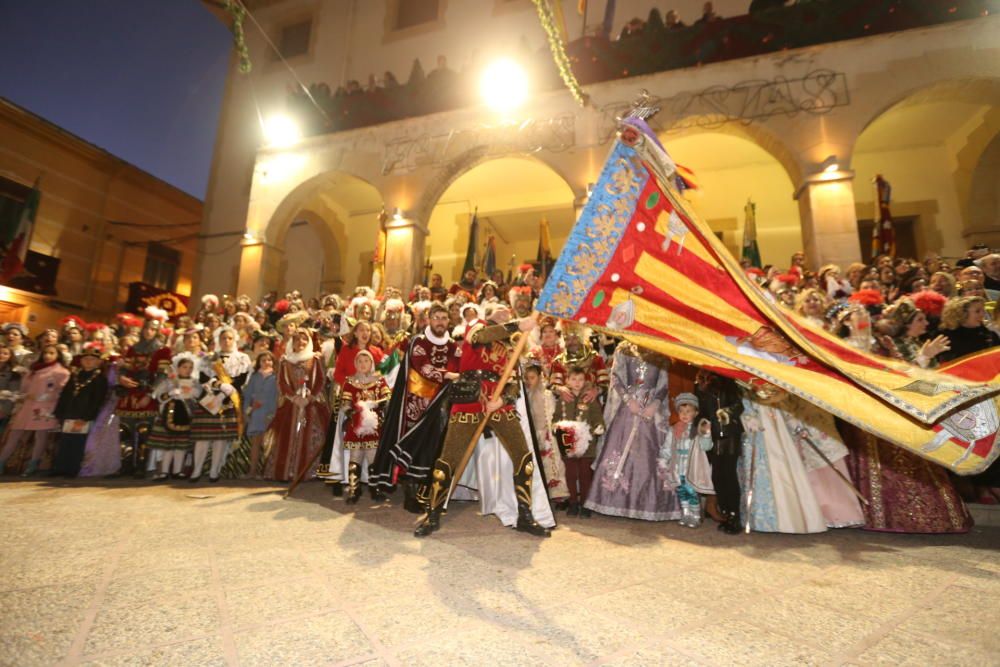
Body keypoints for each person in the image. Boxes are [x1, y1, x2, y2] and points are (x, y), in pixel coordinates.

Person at [413, 305, 550, 537]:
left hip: (498, 402)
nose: (505, 312)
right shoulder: (477, 326)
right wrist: (517, 324)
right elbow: (481, 336)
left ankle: (525, 515)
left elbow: (514, 382)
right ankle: (432, 514)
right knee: (448, 460)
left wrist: (504, 398)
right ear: (490, 314)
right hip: (470, 397)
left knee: (524, 458)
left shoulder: (511, 348)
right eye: (500, 310)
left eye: (507, 311)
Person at [371, 303, 459, 511]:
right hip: (414, 405)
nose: (440, 322)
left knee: (433, 448)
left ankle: (426, 491)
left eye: (443, 318)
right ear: (429, 320)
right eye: (436, 317)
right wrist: (447, 375)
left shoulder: (454, 346)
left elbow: (461, 365)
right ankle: (409, 494)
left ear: (449, 321)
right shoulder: (418, 342)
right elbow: (422, 366)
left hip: (440, 405)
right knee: (413, 446)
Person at [585, 341, 679, 521]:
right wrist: (629, 400)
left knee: (649, 454)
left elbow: (664, 384)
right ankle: (614, 502)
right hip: (628, 407)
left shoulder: (662, 351)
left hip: (651, 409)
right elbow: (616, 378)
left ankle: (649, 504)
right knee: (618, 449)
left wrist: (655, 404)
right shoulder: (624, 349)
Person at [265, 330, 329, 483]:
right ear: (291, 342)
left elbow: (320, 381)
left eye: (304, 339)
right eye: (297, 340)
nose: (300, 342)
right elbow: (281, 382)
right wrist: (293, 398)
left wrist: (310, 397)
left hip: (311, 405)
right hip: (291, 405)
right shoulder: (285, 361)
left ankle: (311, 472)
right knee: (288, 437)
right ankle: (287, 472)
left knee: (313, 437)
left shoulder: (315, 359)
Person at [189, 326, 252, 483]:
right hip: (209, 399)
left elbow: (242, 379)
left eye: (230, 338)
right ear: (218, 340)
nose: (227, 341)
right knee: (202, 438)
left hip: (230, 400)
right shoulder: (209, 358)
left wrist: (226, 392)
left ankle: (214, 472)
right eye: (223, 338)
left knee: (221, 439)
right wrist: (217, 385)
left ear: (235, 339)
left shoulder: (242, 358)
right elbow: (203, 377)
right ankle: (196, 471)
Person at [0, 344, 70, 476]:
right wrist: (22, 396)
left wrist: (46, 397)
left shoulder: (61, 372)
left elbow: (63, 391)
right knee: (14, 435)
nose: (47, 356)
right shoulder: (33, 370)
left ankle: (33, 464)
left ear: (58, 355)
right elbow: (24, 388)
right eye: (45, 353)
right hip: (27, 406)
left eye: (51, 353)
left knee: (40, 436)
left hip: (45, 408)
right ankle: (1, 462)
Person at [694, 369, 744, 534]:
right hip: (712, 435)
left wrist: (726, 413)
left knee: (728, 475)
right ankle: (725, 511)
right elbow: (699, 411)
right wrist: (701, 423)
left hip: (729, 434)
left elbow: (738, 405)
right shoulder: (700, 383)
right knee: (717, 476)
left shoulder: (728, 381)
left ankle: (734, 516)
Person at [49, 344, 110, 477]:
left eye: (92, 359)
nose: (88, 361)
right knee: (65, 440)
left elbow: (97, 400)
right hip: (69, 413)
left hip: (84, 415)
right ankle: (59, 468)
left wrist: (88, 416)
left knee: (78, 442)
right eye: (85, 358)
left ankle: (72, 469)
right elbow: (65, 395)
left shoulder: (100, 379)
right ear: (81, 361)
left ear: (98, 362)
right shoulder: (75, 375)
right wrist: (60, 412)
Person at [552, 367, 605, 517]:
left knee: (585, 474)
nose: (577, 383)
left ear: (585, 381)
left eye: (580, 379)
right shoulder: (563, 399)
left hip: (586, 441)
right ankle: (573, 502)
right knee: (570, 473)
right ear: (567, 381)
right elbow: (556, 416)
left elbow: (597, 416)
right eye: (573, 379)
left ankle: (585, 504)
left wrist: (599, 426)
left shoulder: (589, 398)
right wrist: (555, 426)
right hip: (567, 439)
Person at [339, 350, 391, 503]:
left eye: (366, 361)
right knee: (355, 459)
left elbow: (388, 398)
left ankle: (375, 488)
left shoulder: (379, 380)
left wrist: (375, 404)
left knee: (373, 458)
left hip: (375, 425)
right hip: (356, 425)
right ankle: (354, 490)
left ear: (371, 363)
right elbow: (345, 402)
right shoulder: (350, 382)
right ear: (355, 364)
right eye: (359, 361)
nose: (363, 364)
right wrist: (350, 411)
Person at [657, 393, 713, 528]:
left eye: (688, 411)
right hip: (677, 465)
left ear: (696, 412)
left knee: (691, 490)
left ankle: (696, 516)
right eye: (681, 411)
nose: (684, 414)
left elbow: (706, 446)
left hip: (692, 465)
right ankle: (686, 513)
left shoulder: (698, 428)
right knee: (681, 490)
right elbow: (668, 445)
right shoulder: (675, 428)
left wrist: (706, 435)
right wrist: (664, 458)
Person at [147, 352, 201, 481]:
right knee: (168, 445)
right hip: (169, 416)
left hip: (185, 416)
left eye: (190, 368)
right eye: (184, 367)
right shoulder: (169, 381)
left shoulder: (194, 382)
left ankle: (177, 470)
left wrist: (194, 393)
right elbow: (158, 397)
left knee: (181, 446)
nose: (187, 370)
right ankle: (165, 471)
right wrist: (170, 394)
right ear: (177, 368)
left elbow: (199, 397)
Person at [242, 351, 278, 479]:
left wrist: (273, 414)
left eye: (269, 360)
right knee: (255, 443)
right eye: (263, 360)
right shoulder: (254, 377)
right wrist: (247, 411)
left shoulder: (276, 378)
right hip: (256, 414)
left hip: (269, 414)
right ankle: (252, 471)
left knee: (269, 444)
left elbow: (277, 397)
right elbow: (247, 395)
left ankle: (267, 472)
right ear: (259, 363)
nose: (266, 362)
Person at [938, 296, 999, 362]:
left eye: (983, 310)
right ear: (962, 314)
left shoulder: (990, 336)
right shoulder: (946, 337)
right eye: (977, 311)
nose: (983, 314)